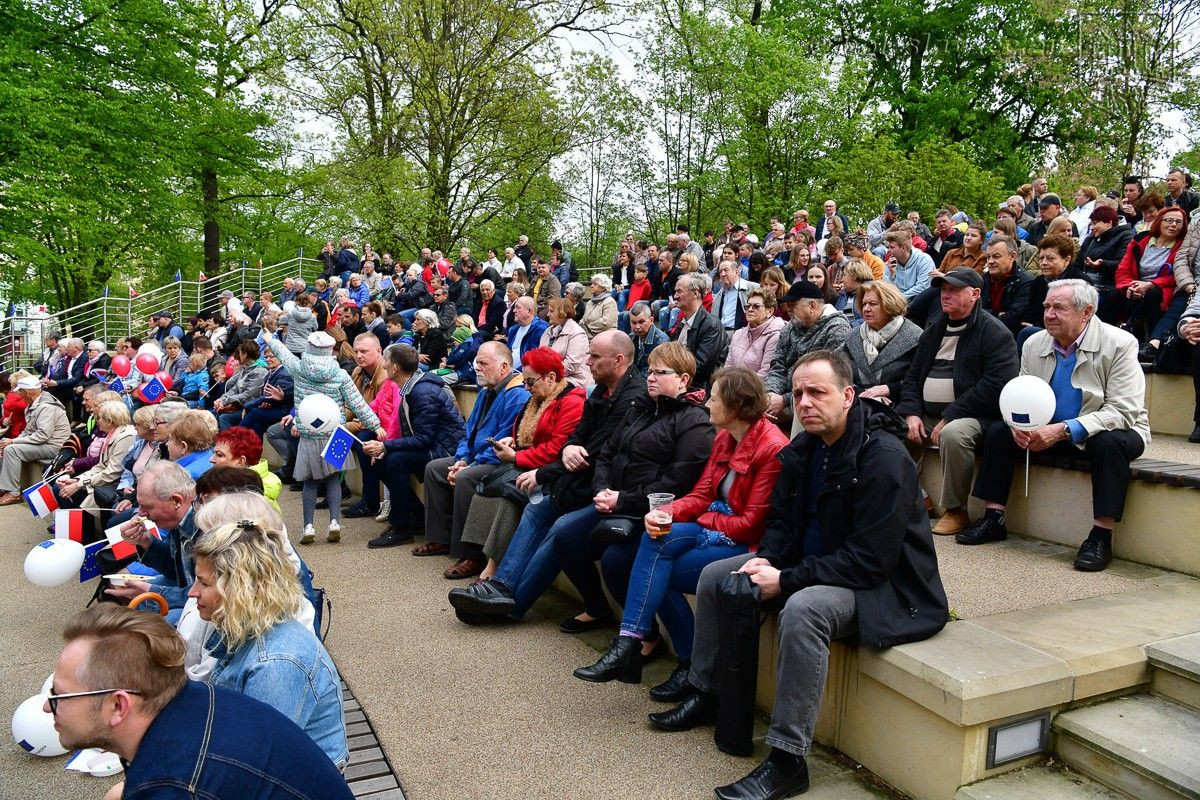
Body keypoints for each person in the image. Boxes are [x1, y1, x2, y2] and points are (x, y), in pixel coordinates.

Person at [649, 351, 948, 800]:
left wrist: (787, 580)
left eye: (817, 392)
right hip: (813, 565)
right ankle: (706, 690)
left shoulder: (884, 458)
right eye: (798, 393)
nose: (805, 402)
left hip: (885, 587)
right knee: (716, 575)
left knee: (804, 610)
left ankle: (788, 760)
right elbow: (781, 526)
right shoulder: (804, 448)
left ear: (848, 396)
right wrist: (768, 560)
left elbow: (870, 561)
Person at [573, 367, 788, 694]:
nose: (707, 402)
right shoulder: (725, 436)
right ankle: (629, 643)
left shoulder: (771, 446)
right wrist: (664, 512)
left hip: (748, 544)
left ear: (733, 407)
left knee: (658, 574)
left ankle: (684, 664)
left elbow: (750, 524)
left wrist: (705, 519)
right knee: (656, 537)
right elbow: (703, 494)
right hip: (718, 525)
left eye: (714, 398)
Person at [46, 605, 354, 800]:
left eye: (58, 696)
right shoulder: (196, 698)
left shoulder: (174, 783)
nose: (48, 707)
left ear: (119, 706)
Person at [958, 280, 1150, 572]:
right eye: (1046, 306)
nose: (1048, 314)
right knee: (999, 431)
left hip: (1108, 429)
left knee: (1108, 443)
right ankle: (993, 518)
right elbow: (1020, 395)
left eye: (1058, 307)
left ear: (1086, 312)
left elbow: (1123, 411)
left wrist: (1063, 430)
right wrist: (1017, 425)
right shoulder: (1034, 342)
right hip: (1047, 429)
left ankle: (1101, 535)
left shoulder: (1120, 343)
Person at [550, 342, 714, 635]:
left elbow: (677, 482)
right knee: (565, 538)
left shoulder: (695, 422)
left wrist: (622, 500)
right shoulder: (641, 407)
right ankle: (597, 608)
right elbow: (608, 452)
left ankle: (646, 634)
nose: (650, 377)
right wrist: (601, 490)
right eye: (649, 371)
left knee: (615, 561)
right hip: (614, 502)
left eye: (660, 372)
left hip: (649, 514)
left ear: (683, 379)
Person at [189, 519, 348, 767]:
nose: (192, 592)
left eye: (204, 582)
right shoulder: (251, 628)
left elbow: (254, 765)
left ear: (240, 588)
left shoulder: (276, 664)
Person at [895, 267, 1019, 536]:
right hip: (928, 413)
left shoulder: (995, 333)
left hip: (976, 415)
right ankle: (908, 498)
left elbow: (995, 385)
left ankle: (955, 509)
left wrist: (951, 414)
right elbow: (912, 377)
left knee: (953, 435)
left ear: (975, 294)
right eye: (943, 289)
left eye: (953, 289)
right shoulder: (933, 330)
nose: (945, 295)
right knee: (886, 427)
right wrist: (911, 412)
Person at [452, 347, 587, 578]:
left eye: (531, 382)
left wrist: (516, 456)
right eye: (525, 381)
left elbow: (556, 449)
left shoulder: (571, 402)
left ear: (551, 377)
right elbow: (522, 435)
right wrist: (513, 442)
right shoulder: (536, 397)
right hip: (529, 464)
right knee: (485, 489)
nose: (526, 387)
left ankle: (493, 570)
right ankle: (476, 556)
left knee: (508, 497)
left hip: (551, 473)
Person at [264, 330, 383, 544]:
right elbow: (358, 404)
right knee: (333, 479)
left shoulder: (299, 368)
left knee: (310, 482)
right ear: (330, 351)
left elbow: (283, 354)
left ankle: (308, 526)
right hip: (337, 433)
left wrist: (269, 338)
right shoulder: (340, 374)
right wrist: (376, 425)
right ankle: (334, 522)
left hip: (309, 435)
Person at [415, 342, 529, 558]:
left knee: (466, 478)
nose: (476, 367)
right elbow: (469, 434)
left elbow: (501, 442)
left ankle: (470, 555)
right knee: (434, 468)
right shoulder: (486, 391)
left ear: (504, 367)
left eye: (483, 363)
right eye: (477, 362)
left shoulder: (517, 395)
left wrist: (470, 465)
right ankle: (440, 539)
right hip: (476, 458)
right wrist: (462, 459)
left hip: (499, 461)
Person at [363, 344, 466, 547]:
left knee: (395, 460)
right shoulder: (412, 386)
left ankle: (402, 528)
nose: (383, 365)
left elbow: (424, 439)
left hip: (447, 449)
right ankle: (416, 516)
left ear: (396, 368)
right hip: (435, 444)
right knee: (385, 461)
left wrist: (386, 447)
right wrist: (386, 447)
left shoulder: (422, 392)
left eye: (386, 361)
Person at [763, 282, 852, 426]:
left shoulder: (836, 329)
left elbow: (829, 378)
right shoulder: (789, 329)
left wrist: (785, 399)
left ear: (812, 305)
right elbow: (778, 366)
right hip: (784, 396)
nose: (788, 310)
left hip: (814, 397)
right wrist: (771, 393)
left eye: (793, 305)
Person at [1114, 205, 1186, 351]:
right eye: (1169, 220)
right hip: (1135, 285)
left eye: (1179, 222)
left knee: (1153, 295)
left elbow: (1177, 275)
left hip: (1164, 288)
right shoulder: (1141, 241)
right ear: (1159, 221)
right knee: (1113, 296)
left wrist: (1151, 284)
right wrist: (1129, 286)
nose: (1173, 225)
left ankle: (1153, 347)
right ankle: (1105, 340)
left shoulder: (1183, 246)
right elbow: (1123, 269)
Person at [842, 281, 923, 404]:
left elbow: (920, 378)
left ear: (889, 305)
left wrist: (889, 389)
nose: (866, 309)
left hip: (899, 404)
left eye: (873, 304)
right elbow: (839, 373)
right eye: (864, 304)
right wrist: (863, 394)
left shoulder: (915, 337)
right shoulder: (853, 336)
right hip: (856, 402)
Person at [0, 376, 71, 505]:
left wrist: (13, 442)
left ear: (26, 392)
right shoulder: (34, 404)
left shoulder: (46, 407)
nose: (19, 395)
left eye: (20, 391)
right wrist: (11, 441)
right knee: (5, 445)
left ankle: (14, 493)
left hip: (54, 447)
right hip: (44, 443)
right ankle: (4, 487)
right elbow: (28, 431)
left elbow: (43, 435)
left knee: (11, 449)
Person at [53, 401, 136, 511]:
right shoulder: (112, 433)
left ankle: (81, 528)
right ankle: (69, 526)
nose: (97, 421)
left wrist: (79, 485)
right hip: (103, 478)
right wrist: (78, 480)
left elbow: (113, 473)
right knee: (61, 487)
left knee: (78, 494)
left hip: (117, 483)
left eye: (99, 418)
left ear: (109, 421)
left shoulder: (126, 437)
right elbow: (101, 465)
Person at [668, 273, 727, 389]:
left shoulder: (711, 325)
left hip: (699, 389)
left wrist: (670, 373)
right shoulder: (681, 323)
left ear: (695, 293)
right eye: (675, 292)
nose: (675, 296)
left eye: (679, 291)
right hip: (680, 382)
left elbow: (701, 368)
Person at [212, 425, 283, 511]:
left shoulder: (249, 498)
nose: (211, 459)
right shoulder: (236, 482)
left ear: (241, 461)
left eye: (219, 455)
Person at [724, 287, 786, 379]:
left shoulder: (775, 336)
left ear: (769, 311)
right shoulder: (738, 334)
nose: (750, 309)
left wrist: (736, 388)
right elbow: (728, 367)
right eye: (748, 306)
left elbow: (765, 373)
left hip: (754, 390)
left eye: (756, 306)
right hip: (731, 387)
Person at [982, 234, 1035, 335]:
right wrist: (998, 314)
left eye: (996, 256)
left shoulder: (1027, 282)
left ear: (1012, 256)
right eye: (988, 257)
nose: (990, 261)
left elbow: (1013, 319)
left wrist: (988, 314)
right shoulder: (983, 279)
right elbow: (974, 310)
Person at [212, 340, 267, 430]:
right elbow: (236, 388)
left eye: (240, 353)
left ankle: (230, 443)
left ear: (244, 354)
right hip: (240, 404)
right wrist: (222, 399)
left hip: (250, 407)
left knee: (224, 418)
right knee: (215, 411)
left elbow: (249, 395)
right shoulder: (245, 368)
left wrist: (226, 401)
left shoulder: (260, 371)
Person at [239, 346, 294, 436]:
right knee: (258, 425)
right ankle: (254, 448)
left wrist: (247, 406)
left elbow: (269, 397)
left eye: (271, 356)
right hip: (273, 407)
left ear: (280, 357)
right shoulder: (272, 371)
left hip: (284, 411)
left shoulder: (285, 374)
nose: (268, 359)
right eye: (266, 357)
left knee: (254, 412)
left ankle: (233, 438)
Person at [539, 297, 592, 387]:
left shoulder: (577, 333)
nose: (548, 314)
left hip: (574, 380)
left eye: (551, 311)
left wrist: (547, 375)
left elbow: (571, 365)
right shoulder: (548, 331)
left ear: (562, 313)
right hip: (550, 377)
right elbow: (540, 356)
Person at [882, 229, 935, 300]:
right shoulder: (890, 263)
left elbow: (922, 287)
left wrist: (899, 299)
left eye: (892, 247)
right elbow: (887, 289)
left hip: (919, 301)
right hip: (897, 301)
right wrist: (892, 276)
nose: (888, 250)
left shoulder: (924, 260)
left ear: (903, 248)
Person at [165, 409, 215, 479]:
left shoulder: (186, 475)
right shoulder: (212, 457)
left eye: (170, 440)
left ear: (183, 446)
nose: (166, 444)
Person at [506, 295, 548, 361]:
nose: (514, 310)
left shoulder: (540, 329)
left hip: (523, 370)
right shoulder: (513, 330)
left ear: (529, 312)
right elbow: (507, 353)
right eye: (514, 307)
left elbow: (534, 360)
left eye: (518, 308)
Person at [580, 274, 618, 338]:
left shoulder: (610, 301)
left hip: (605, 337)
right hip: (589, 335)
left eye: (595, 284)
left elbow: (605, 323)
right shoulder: (590, 302)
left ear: (603, 288)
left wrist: (587, 328)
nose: (591, 286)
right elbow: (584, 319)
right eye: (592, 284)